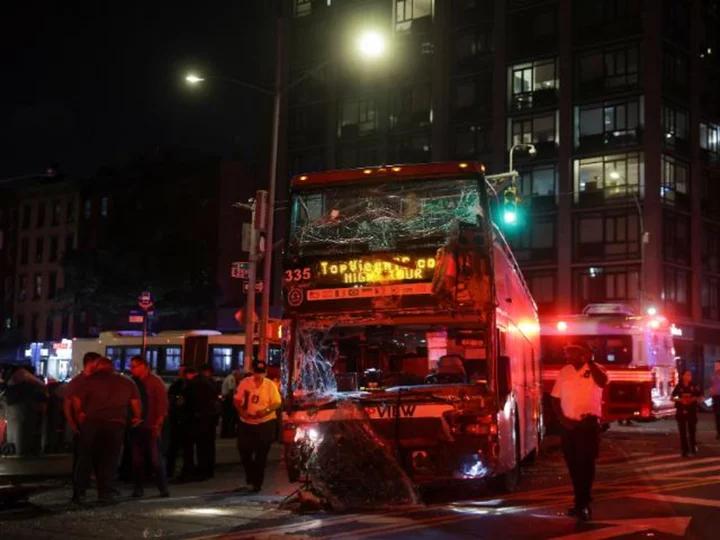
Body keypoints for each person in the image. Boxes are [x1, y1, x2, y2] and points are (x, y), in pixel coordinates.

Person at [71, 357, 142, 504]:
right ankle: (105, 494)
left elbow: (76, 400)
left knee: (85, 459)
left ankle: (80, 493)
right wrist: (136, 417)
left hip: (91, 423)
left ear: (98, 367)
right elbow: (135, 403)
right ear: (112, 367)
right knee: (109, 460)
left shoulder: (89, 380)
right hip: (115, 425)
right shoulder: (127, 382)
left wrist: (81, 415)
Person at [551, 342, 608, 522]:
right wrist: (562, 419)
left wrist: (590, 362)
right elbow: (555, 398)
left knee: (586, 464)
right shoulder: (565, 371)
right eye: (567, 352)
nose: (568, 355)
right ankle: (580, 500)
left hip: (587, 425)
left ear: (583, 354)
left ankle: (583, 503)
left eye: (572, 352)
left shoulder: (597, 369)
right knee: (573, 465)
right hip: (569, 427)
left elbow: (602, 382)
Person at [235, 359, 282, 492]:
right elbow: (237, 400)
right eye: (257, 373)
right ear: (252, 371)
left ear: (265, 373)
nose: (259, 376)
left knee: (261, 454)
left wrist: (265, 410)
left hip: (265, 423)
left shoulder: (270, 385)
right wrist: (243, 413)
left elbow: (277, 402)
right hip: (246, 423)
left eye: (262, 373)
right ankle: (250, 474)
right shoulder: (245, 383)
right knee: (244, 450)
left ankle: (257, 483)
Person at [129, 356, 170, 498]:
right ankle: (138, 488)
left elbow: (162, 404)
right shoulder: (132, 382)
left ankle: (163, 488)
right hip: (136, 426)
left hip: (151, 425)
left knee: (155, 459)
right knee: (136, 460)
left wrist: (159, 422)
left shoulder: (155, 381)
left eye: (134, 366)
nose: (131, 369)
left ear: (144, 366)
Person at [60, 352, 101, 476]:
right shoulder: (77, 382)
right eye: (98, 363)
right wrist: (72, 423)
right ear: (91, 363)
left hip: (94, 423)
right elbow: (67, 404)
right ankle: (80, 479)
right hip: (81, 425)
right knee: (82, 454)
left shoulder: (96, 380)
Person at [177, 366, 217, 482]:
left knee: (189, 448)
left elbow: (183, 403)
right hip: (207, 420)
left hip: (193, 420)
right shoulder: (208, 383)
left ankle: (189, 471)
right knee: (204, 448)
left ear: (188, 374)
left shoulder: (190, 385)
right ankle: (205, 471)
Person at [672, 370, 702, 457]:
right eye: (687, 375)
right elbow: (672, 397)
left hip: (692, 410)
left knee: (692, 430)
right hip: (681, 411)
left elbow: (700, 397)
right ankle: (684, 450)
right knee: (682, 431)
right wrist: (680, 400)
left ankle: (693, 448)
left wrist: (694, 399)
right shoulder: (679, 386)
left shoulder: (694, 386)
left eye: (690, 375)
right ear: (683, 376)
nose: (689, 376)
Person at [165, 365, 188, 478]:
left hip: (181, 420)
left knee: (177, 447)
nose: (180, 373)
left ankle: (173, 470)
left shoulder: (184, 385)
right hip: (178, 420)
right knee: (174, 447)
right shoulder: (178, 384)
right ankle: (171, 470)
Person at [221, 370, 239, 438]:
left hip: (226, 399)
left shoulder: (228, 377)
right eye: (238, 375)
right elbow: (231, 390)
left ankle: (225, 433)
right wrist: (233, 401)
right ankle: (227, 434)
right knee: (228, 417)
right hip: (228, 399)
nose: (239, 376)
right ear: (235, 374)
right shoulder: (232, 378)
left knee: (226, 417)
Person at [711, 362, 720, 441]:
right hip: (716, 397)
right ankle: (718, 433)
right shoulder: (714, 375)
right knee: (717, 415)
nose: (716, 367)